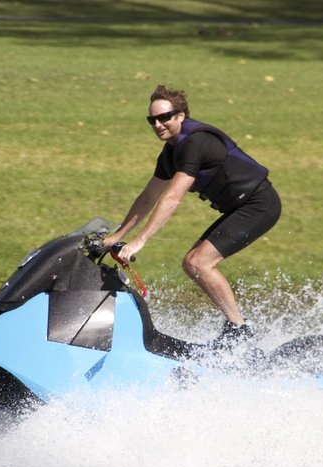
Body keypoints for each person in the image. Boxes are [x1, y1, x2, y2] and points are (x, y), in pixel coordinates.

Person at [102, 84, 282, 347]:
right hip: (242, 207)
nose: (158, 124)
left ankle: (240, 331)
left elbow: (172, 197)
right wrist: (116, 236)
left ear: (181, 116)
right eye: (152, 120)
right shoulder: (169, 154)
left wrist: (140, 241)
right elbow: (147, 197)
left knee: (199, 263)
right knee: (191, 263)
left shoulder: (194, 143)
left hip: (259, 204)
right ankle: (238, 328)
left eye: (165, 117)